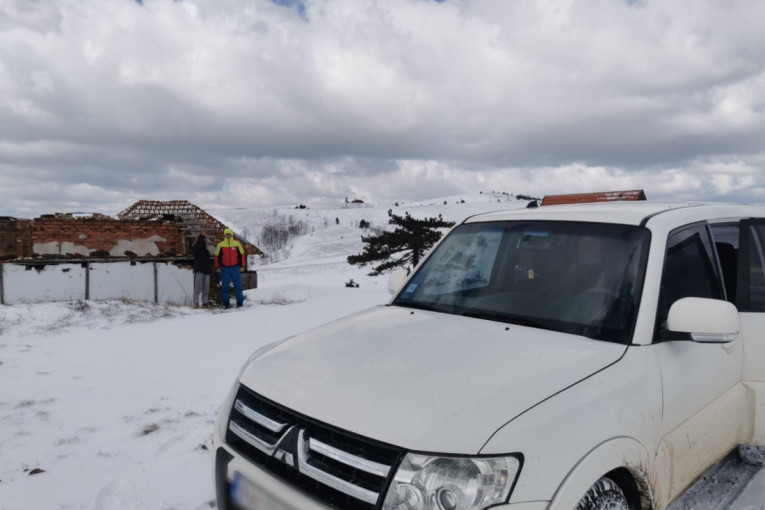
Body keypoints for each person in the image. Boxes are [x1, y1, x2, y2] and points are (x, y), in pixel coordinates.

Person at [214, 228, 246, 308]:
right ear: (224, 235)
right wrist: (217, 266)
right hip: (225, 269)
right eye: (226, 234)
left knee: (238, 286)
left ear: (231, 235)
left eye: (229, 234)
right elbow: (216, 256)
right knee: (225, 287)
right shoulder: (220, 245)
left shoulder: (237, 244)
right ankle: (226, 303)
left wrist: (242, 266)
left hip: (235, 268)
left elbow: (242, 255)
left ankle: (240, 303)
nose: (228, 236)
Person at [192, 232, 212, 308]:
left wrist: (209, 271)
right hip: (199, 271)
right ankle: (196, 303)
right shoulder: (196, 250)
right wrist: (201, 237)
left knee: (206, 289)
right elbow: (194, 250)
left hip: (207, 272)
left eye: (204, 240)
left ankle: (205, 303)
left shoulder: (207, 252)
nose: (203, 241)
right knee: (197, 289)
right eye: (202, 240)